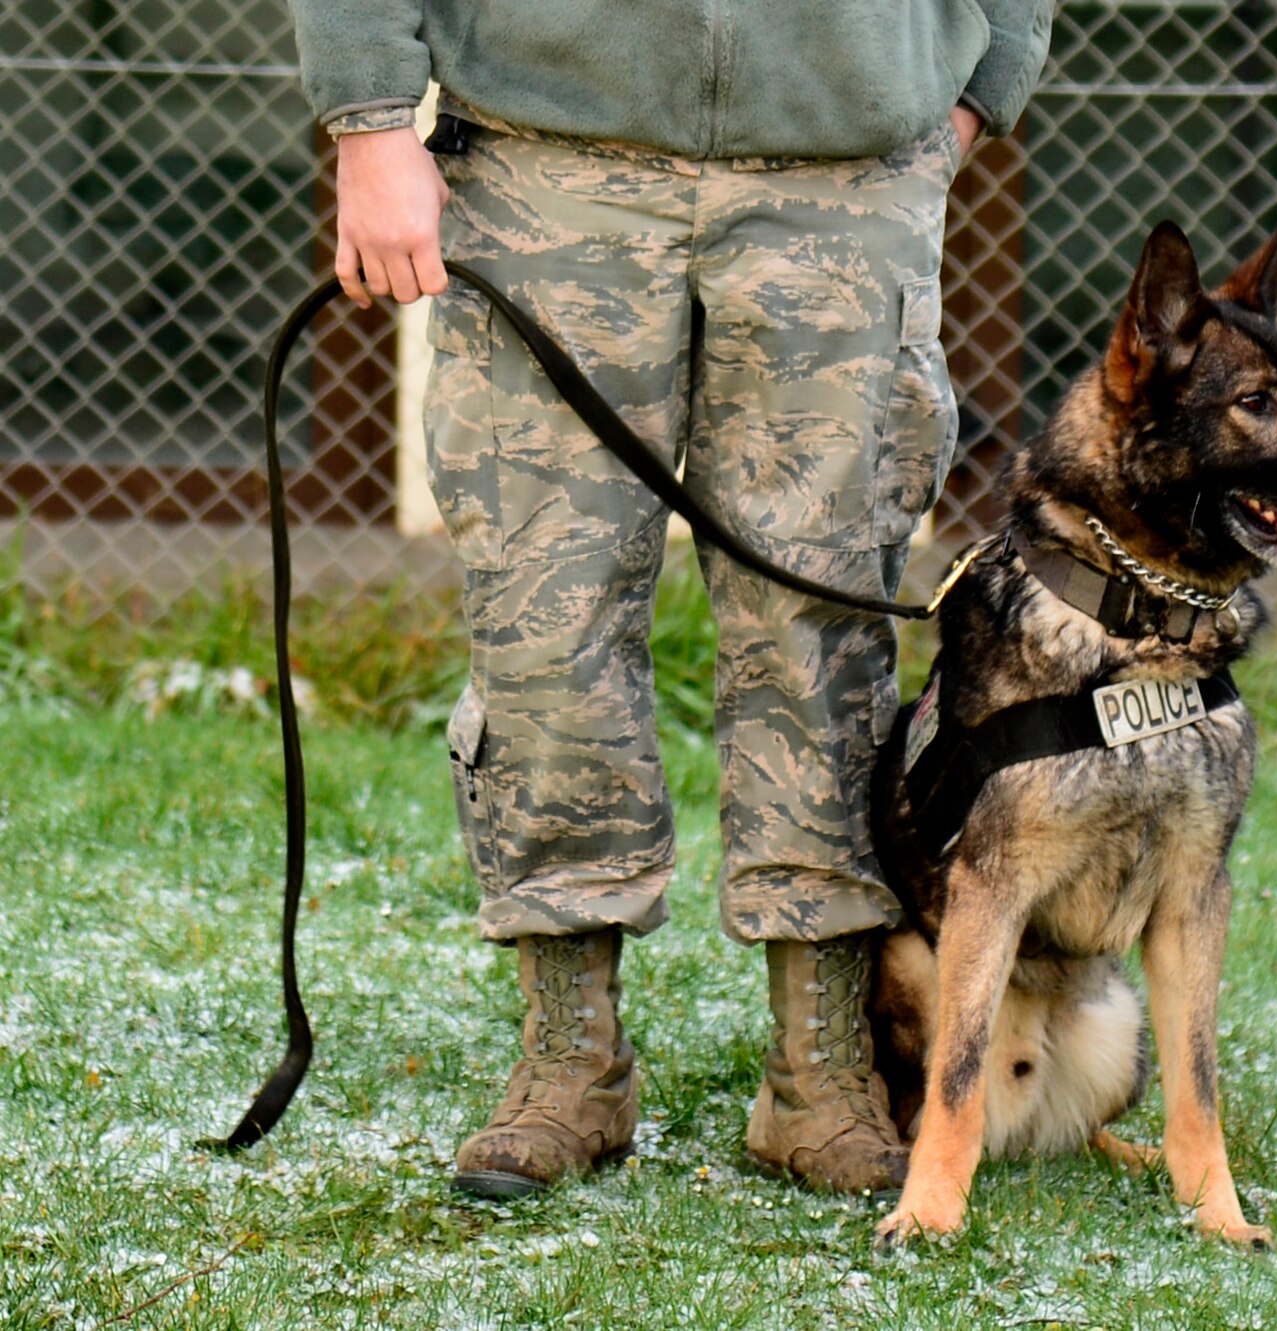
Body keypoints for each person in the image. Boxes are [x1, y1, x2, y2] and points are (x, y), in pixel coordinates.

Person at [284, 0, 1054, 1197]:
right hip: (546, 163)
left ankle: (821, 1071)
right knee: (546, 622)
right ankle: (568, 1061)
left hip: (842, 179)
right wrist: (370, 118)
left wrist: (978, 84)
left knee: (823, 637)